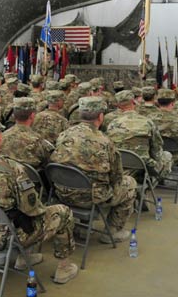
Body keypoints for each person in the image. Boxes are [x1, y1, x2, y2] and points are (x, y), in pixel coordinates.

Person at [0, 115, 78, 284]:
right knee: (62, 213)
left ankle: (24, 257)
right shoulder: (12, 169)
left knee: (15, 213)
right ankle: (64, 268)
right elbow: (33, 209)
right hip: (7, 236)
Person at [50, 97, 137, 244]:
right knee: (130, 184)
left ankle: (82, 227)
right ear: (101, 116)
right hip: (92, 198)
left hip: (62, 193)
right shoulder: (105, 141)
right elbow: (117, 176)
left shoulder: (63, 135)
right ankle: (113, 231)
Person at [106, 91, 172, 179]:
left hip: (121, 163)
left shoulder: (112, 124)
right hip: (144, 165)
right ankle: (155, 180)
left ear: (118, 106)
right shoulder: (147, 122)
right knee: (167, 155)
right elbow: (157, 147)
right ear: (134, 102)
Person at [0, 98, 53, 169]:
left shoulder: (1, 137)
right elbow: (50, 163)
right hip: (30, 179)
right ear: (32, 115)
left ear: (14, 116)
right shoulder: (38, 141)